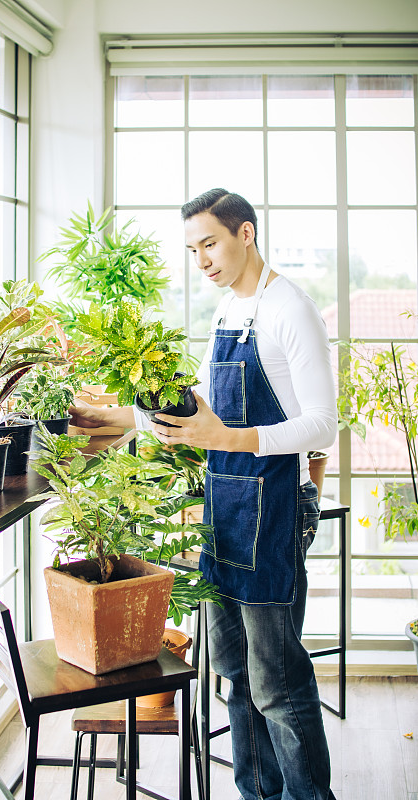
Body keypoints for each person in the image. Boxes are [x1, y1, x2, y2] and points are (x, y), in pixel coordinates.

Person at [68, 188, 338, 800]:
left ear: (246, 234)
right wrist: (126, 420)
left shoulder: (288, 308)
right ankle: (258, 793)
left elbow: (323, 425)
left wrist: (227, 435)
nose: (203, 261)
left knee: (277, 682)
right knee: (235, 675)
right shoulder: (226, 312)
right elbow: (206, 422)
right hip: (225, 510)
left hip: (276, 509)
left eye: (210, 244)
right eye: (193, 249)